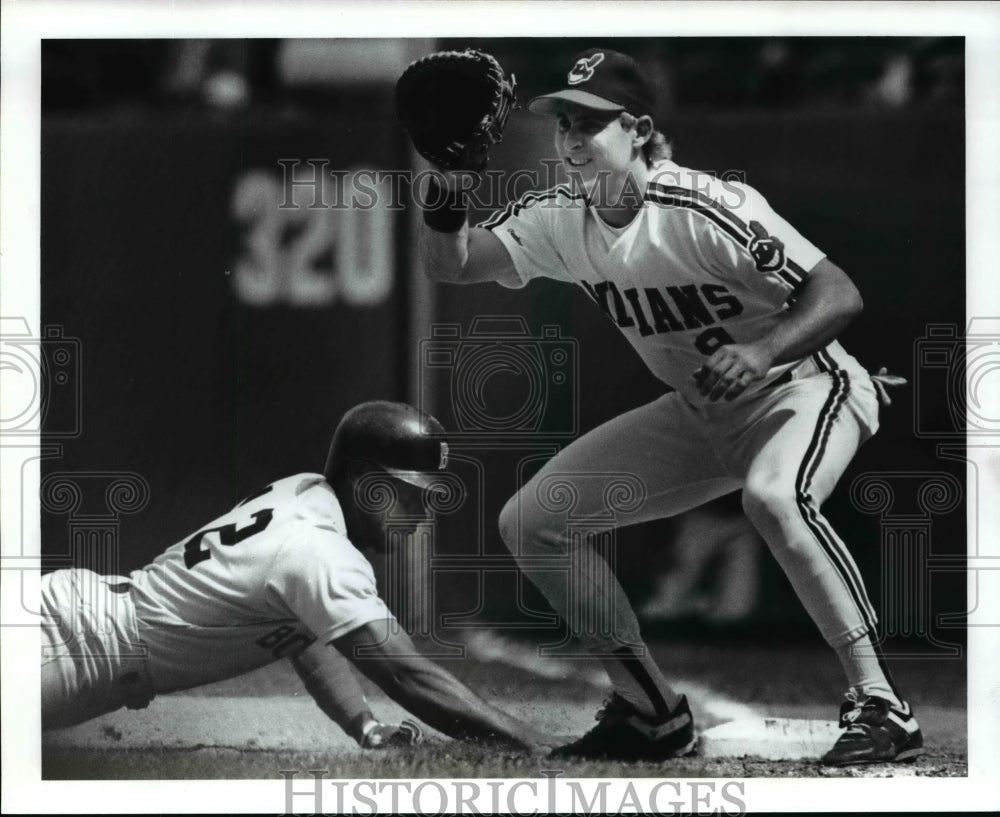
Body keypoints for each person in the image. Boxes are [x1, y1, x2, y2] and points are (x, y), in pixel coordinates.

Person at [413, 47, 921, 766]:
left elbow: (837, 292)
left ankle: (881, 703)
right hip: (701, 408)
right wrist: (448, 189)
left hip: (806, 387)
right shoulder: (563, 216)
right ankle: (652, 711)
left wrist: (762, 350)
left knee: (776, 497)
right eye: (563, 124)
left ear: (640, 128)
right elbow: (453, 264)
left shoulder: (704, 205)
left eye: (591, 123)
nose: (572, 139)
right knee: (532, 520)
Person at [41, 400, 552, 753]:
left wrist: (363, 724)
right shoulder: (320, 552)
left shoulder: (306, 494)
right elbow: (407, 674)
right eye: (412, 494)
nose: (422, 513)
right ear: (365, 484)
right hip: (66, 647)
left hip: (75, 625)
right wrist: (535, 744)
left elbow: (306, 632)